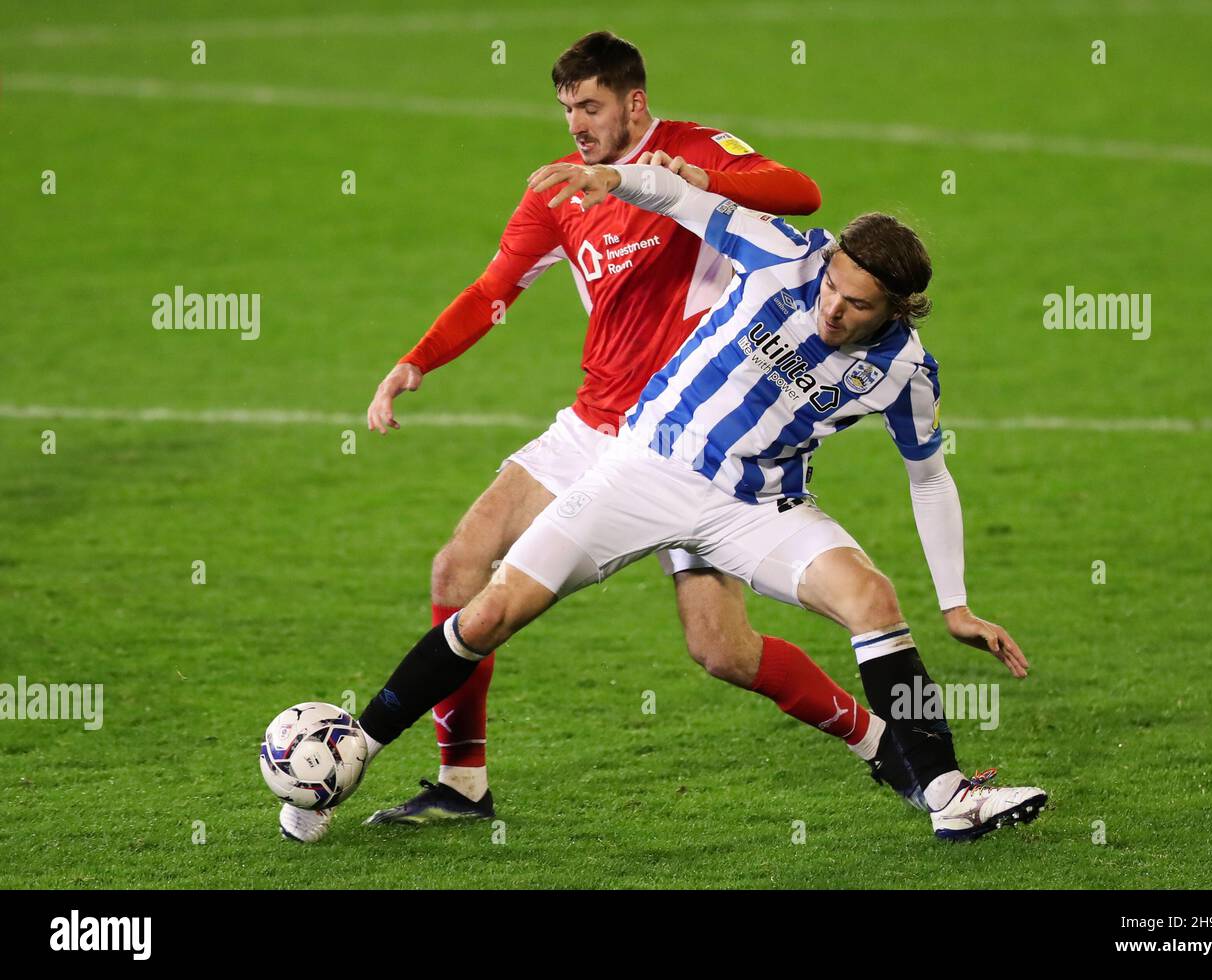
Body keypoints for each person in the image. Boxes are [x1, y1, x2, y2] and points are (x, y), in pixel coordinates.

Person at [335, 161, 1049, 844]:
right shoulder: (779, 252)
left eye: (857, 304)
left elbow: (927, 475)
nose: (833, 307)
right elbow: (680, 199)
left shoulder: (905, 371)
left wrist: (954, 604)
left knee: (870, 596)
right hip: (647, 468)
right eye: (833, 286)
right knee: (489, 612)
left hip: (757, 505)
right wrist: (611, 180)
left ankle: (949, 795)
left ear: (896, 308)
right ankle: (355, 747)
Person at [316, 31, 877, 839]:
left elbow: (801, 191)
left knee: (722, 650)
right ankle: (461, 782)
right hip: (593, 423)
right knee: (461, 561)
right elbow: (492, 289)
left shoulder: (693, 150)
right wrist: (417, 361)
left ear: (634, 103)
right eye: (566, 108)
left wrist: (701, 181)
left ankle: (882, 743)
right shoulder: (559, 191)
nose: (576, 124)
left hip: (691, 442)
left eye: (591, 106)